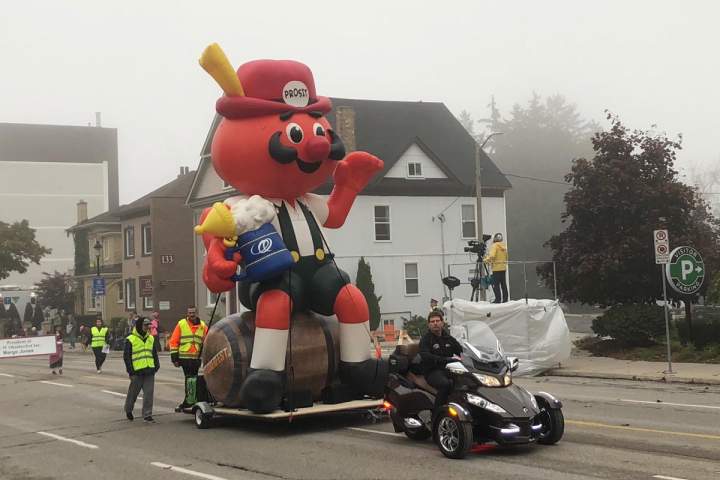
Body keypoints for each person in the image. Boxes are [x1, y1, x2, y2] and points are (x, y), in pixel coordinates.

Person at [418, 310, 463, 409]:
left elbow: (461, 350)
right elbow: (426, 356)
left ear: (442, 323)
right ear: (429, 324)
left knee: (466, 381)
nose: (435, 323)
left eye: (437, 321)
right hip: (432, 371)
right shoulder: (426, 340)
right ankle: (437, 412)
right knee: (445, 384)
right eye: (432, 321)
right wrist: (447, 359)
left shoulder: (448, 338)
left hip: (449, 369)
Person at [169, 306, 207, 409]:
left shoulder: (203, 326)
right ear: (187, 313)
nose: (191, 315)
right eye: (190, 313)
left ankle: (191, 400)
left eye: (193, 312)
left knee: (193, 380)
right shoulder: (181, 324)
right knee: (189, 379)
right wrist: (174, 358)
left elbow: (206, 340)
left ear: (197, 313)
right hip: (184, 358)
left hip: (196, 359)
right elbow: (174, 341)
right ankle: (189, 400)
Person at [123, 317, 159, 422]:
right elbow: (127, 357)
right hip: (136, 372)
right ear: (139, 326)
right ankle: (128, 410)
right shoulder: (130, 339)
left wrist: (156, 366)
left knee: (148, 394)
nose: (147, 327)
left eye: (148, 325)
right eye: (145, 325)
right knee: (132, 394)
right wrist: (131, 371)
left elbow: (154, 354)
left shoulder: (150, 338)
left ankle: (147, 415)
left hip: (149, 371)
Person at [484, 233, 509, 303]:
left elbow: (492, 256)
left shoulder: (494, 245)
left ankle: (498, 299)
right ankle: (505, 299)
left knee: (496, 285)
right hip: (503, 268)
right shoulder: (504, 246)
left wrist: (485, 260)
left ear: (495, 238)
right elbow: (506, 257)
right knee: (503, 284)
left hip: (496, 268)